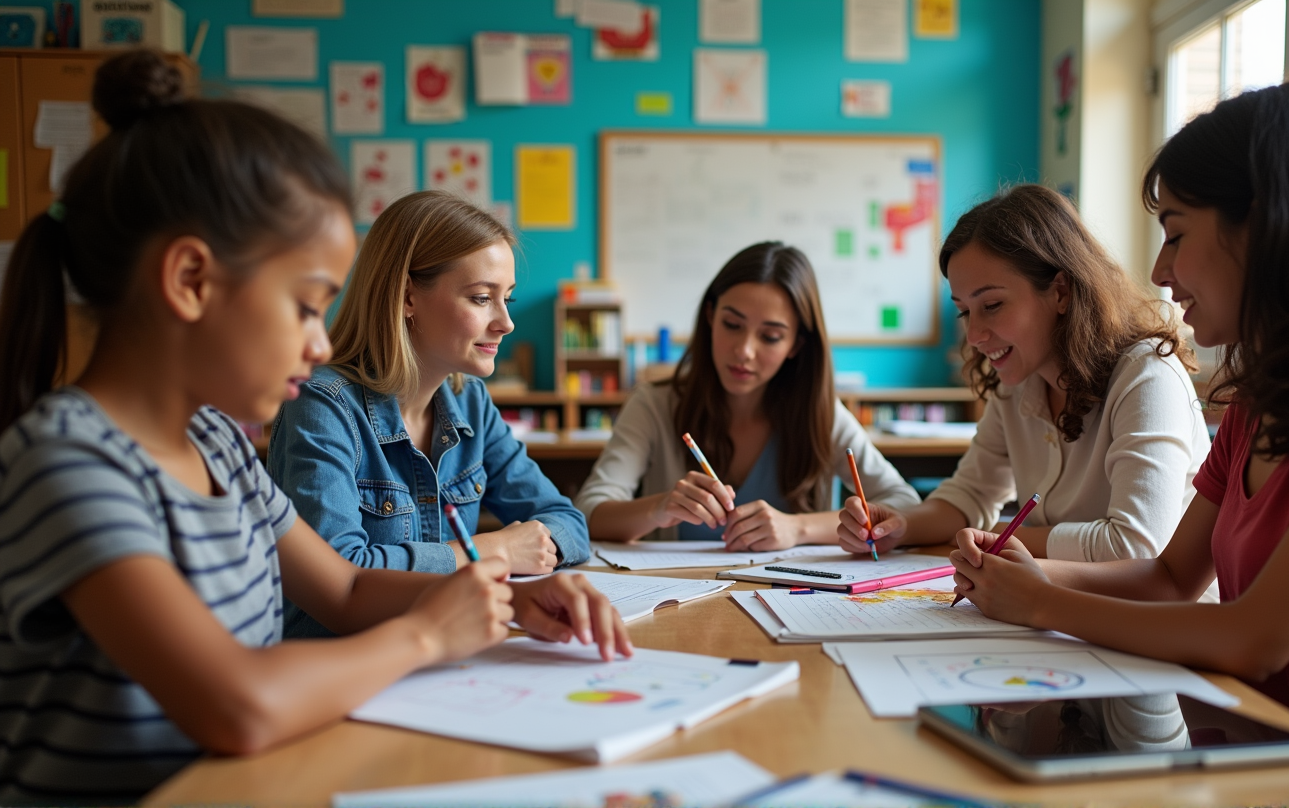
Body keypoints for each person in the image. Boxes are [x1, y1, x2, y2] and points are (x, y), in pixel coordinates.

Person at [0, 51, 628, 802]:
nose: (319, 343)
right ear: (191, 281)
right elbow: (238, 705)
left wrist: (501, 600)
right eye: (303, 307)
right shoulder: (68, 460)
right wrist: (428, 633)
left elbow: (347, 588)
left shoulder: (218, 443)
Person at [950, 82, 1289, 789]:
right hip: (1262, 752)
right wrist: (1028, 579)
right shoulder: (1259, 395)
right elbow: (1173, 578)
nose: (1159, 270)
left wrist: (1042, 602)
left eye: (1176, 234)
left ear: (1268, 227)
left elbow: (1256, 639)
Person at [838, 185, 1212, 587]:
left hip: (1153, 619)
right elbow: (969, 495)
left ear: (1061, 292)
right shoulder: (1018, 380)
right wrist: (901, 526)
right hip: (1065, 610)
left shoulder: (1147, 374)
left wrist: (1001, 538)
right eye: (964, 312)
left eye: (992, 305)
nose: (974, 336)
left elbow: (1135, 546)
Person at [269, 192, 590, 635]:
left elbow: (568, 522)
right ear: (407, 298)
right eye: (482, 298)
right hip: (343, 659)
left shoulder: (471, 401)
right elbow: (341, 575)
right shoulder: (322, 404)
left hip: (447, 651)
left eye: (508, 299)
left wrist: (528, 544)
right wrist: (493, 550)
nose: (506, 322)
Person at [576, 242, 919, 547]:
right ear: (710, 317)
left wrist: (799, 528)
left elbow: (904, 505)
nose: (744, 351)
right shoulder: (654, 404)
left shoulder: (820, 414)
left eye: (770, 337)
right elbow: (588, 512)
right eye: (732, 325)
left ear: (796, 345)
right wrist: (658, 507)